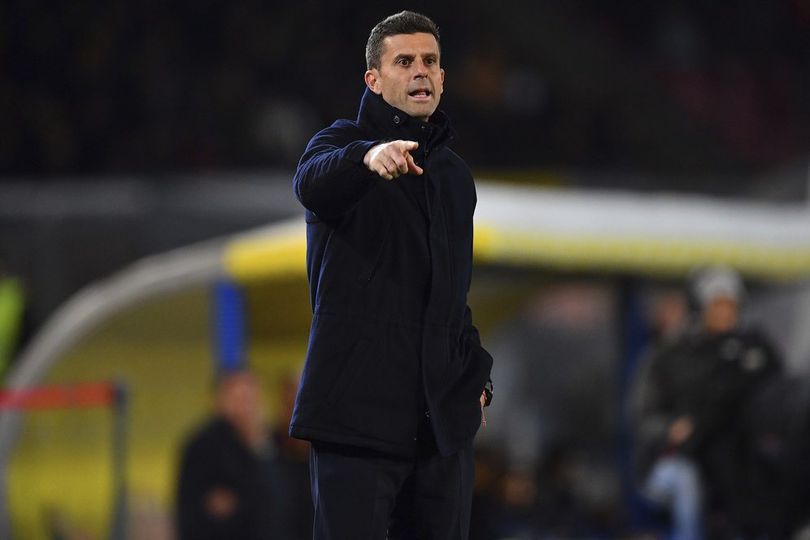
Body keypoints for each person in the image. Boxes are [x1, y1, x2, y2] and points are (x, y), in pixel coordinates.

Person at [290, 11, 493, 540]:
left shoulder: (455, 177)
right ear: (374, 80)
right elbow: (310, 184)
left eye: (429, 61)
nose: (420, 70)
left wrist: (475, 378)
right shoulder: (341, 144)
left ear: (442, 78)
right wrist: (367, 157)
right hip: (355, 421)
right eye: (404, 61)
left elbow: (452, 296)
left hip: (438, 432)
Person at [631, 266, 782, 540]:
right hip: (681, 459)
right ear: (699, 307)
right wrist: (670, 428)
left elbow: (778, 398)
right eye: (716, 305)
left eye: (730, 305)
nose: (724, 313)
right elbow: (644, 418)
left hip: (740, 458)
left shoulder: (754, 349)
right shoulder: (673, 353)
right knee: (686, 483)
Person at [176, 369, 273, 540]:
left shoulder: (269, 441)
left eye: (250, 398)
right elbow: (193, 508)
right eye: (239, 398)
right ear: (221, 400)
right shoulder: (202, 445)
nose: (246, 407)